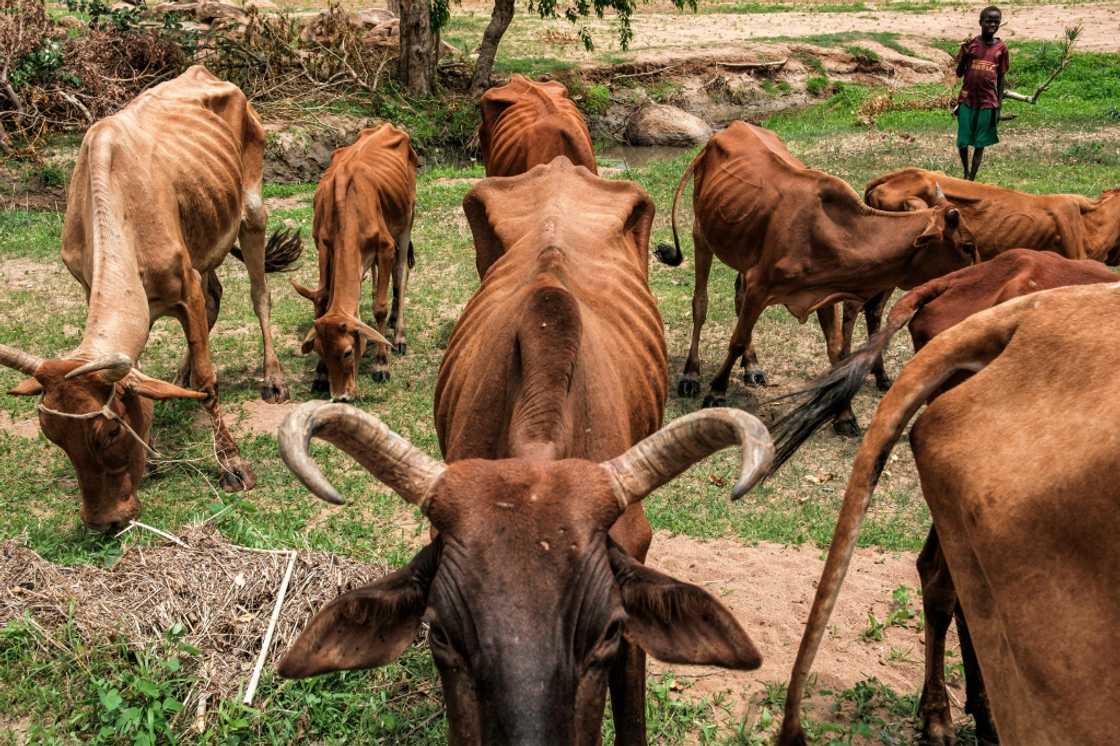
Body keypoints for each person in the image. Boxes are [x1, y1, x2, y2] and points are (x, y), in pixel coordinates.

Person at [954, 6, 1009, 180]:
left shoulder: (1002, 48)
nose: (992, 24)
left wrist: (998, 107)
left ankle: (971, 178)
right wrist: (963, 55)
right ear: (980, 22)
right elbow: (959, 73)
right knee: (963, 140)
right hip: (967, 99)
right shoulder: (971, 45)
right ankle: (965, 170)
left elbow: (1001, 79)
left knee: (980, 143)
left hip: (988, 102)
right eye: (988, 21)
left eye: (996, 22)